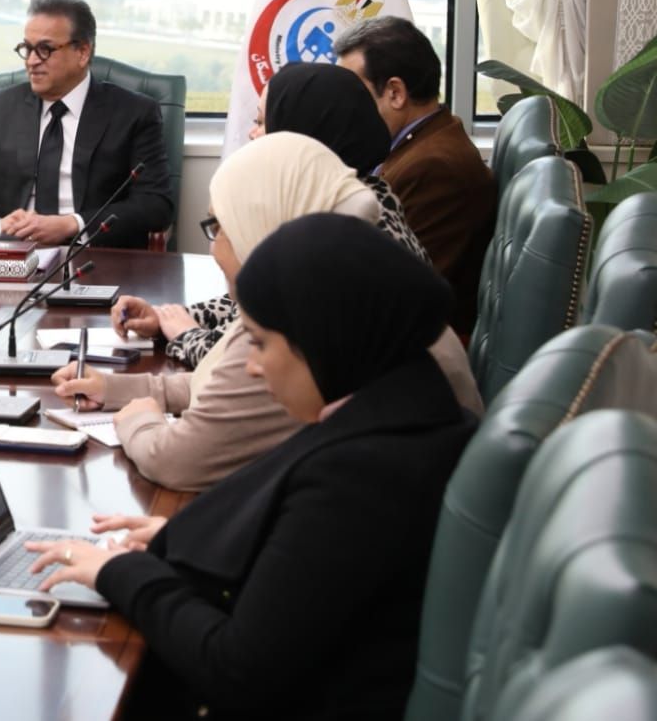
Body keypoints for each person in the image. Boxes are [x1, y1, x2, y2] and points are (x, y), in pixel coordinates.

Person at [29, 213, 479, 719]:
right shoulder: (408, 407)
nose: (252, 365)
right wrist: (193, 541)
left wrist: (119, 572)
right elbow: (312, 576)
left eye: (261, 342)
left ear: (322, 339)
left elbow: (234, 668)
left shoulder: (361, 476)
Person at [52, 132, 480, 492]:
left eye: (219, 227)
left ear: (263, 220)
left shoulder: (308, 322)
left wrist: (139, 421)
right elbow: (223, 383)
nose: (214, 249)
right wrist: (118, 388)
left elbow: (179, 460)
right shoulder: (357, 280)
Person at [120, 60, 429, 370]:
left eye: (262, 122)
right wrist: (167, 318)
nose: (252, 134)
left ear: (303, 135)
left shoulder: (349, 233)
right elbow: (254, 304)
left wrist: (186, 335)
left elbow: (253, 361)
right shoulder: (349, 196)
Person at [0, 0, 174, 248]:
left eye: (45, 50)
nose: (31, 61)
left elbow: (156, 204)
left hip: (93, 256)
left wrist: (73, 224)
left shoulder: (133, 113)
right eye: (27, 49)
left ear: (82, 52)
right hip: (13, 253)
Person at [334, 15, 496, 333]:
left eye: (353, 94)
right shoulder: (426, 139)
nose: (345, 107)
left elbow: (394, 289)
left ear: (395, 93)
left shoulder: (435, 168)